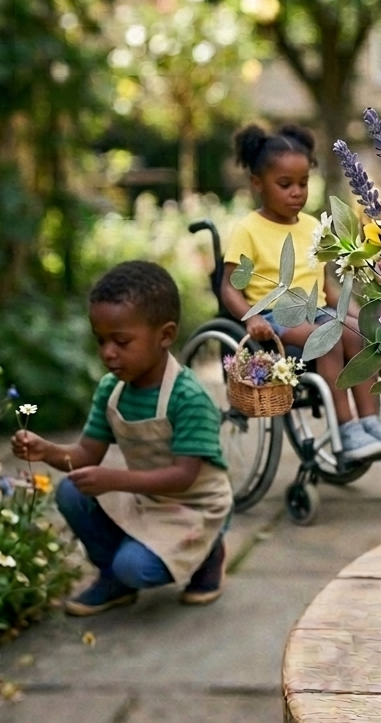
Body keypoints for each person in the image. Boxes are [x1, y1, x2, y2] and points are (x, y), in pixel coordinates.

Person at [12, 262, 232, 615]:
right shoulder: (111, 390)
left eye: (121, 341)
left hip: (195, 505)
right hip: (147, 496)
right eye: (100, 340)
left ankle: (208, 554)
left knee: (135, 567)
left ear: (165, 335)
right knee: (71, 490)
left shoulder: (188, 397)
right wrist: (45, 450)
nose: (107, 353)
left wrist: (113, 480)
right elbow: (85, 454)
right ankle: (112, 580)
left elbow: (184, 476)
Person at [221, 123, 381, 461]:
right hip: (274, 315)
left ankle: (371, 422)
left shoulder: (311, 227)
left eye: (303, 183)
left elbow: (324, 288)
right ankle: (348, 429)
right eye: (285, 184)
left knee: (358, 337)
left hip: (317, 311)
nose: (296, 192)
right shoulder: (248, 229)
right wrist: (249, 320)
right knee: (329, 336)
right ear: (256, 183)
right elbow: (228, 287)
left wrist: (357, 316)